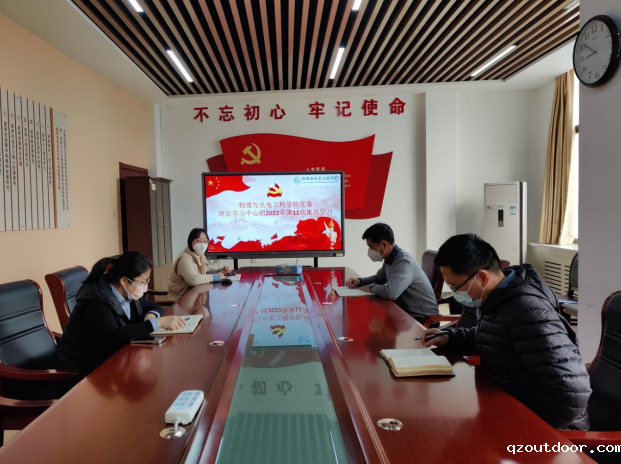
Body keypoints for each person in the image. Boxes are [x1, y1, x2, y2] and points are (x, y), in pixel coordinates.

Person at [420, 234, 591, 430]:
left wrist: (520, 426)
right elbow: (494, 337)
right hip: (502, 405)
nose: (455, 293)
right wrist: (450, 337)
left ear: (482, 277)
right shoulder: (496, 296)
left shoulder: (528, 312)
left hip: (541, 427)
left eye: (455, 287)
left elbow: (571, 391)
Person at [54, 252, 186, 373]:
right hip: (83, 369)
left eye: (147, 281)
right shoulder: (97, 301)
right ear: (124, 280)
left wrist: (150, 316)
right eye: (143, 282)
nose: (145, 287)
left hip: (111, 357)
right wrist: (156, 323)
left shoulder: (128, 292)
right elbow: (114, 335)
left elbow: (153, 306)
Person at [345, 223, 438, 323]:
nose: (370, 251)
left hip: (423, 319)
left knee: (370, 320)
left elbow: (391, 292)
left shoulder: (404, 262)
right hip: (405, 313)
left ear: (384, 245)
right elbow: (379, 278)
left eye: (371, 247)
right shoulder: (390, 258)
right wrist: (360, 281)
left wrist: (371, 288)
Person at [166, 228, 232, 301]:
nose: (202, 244)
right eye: (198, 241)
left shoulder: (199, 255)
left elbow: (205, 268)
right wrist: (216, 277)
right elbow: (193, 280)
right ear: (190, 241)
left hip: (193, 298)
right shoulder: (185, 258)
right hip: (179, 301)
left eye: (205, 241)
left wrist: (219, 271)